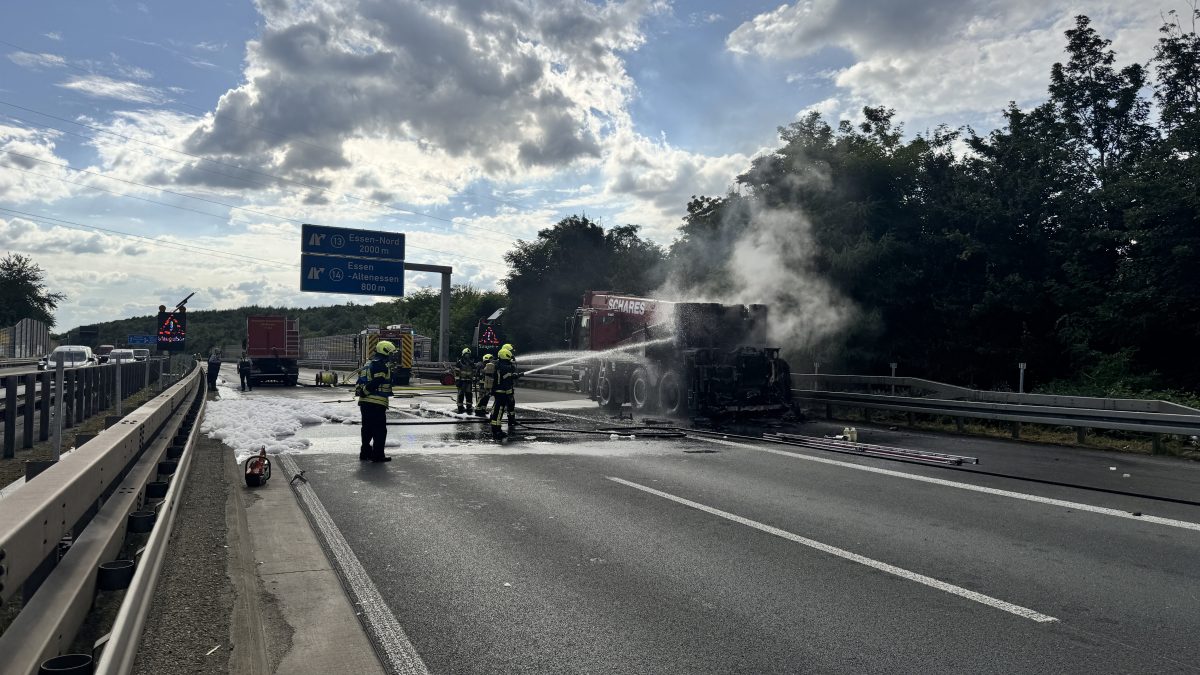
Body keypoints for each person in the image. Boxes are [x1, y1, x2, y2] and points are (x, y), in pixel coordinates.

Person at [356, 340, 395, 462]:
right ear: (385, 351)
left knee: (367, 429)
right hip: (376, 403)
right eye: (391, 353)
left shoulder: (369, 363)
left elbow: (360, 381)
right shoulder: (380, 364)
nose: (391, 356)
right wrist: (365, 391)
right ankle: (377, 455)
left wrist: (362, 392)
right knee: (379, 431)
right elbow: (377, 381)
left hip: (365, 403)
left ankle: (365, 453)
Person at [489, 347, 520, 440]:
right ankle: (496, 431)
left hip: (498, 392)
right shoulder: (504, 367)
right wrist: (515, 375)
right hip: (502, 392)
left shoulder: (498, 365)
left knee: (497, 410)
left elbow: (508, 374)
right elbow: (509, 374)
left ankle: (496, 429)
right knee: (499, 412)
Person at [453, 347, 475, 414]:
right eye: (466, 354)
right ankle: (460, 407)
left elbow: (474, 372)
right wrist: (457, 381)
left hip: (469, 381)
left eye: (468, 354)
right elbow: (456, 373)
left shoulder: (471, 363)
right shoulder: (459, 363)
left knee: (469, 394)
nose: (467, 356)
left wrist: (474, 379)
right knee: (460, 394)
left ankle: (469, 406)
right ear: (463, 354)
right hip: (461, 381)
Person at [475, 353, 495, 417]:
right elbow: (481, 373)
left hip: (488, 384)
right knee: (482, 397)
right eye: (490, 359)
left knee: (487, 397)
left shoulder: (490, 366)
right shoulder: (481, 365)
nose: (492, 361)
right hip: (482, 384)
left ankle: (483, 409)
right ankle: (477, 409)